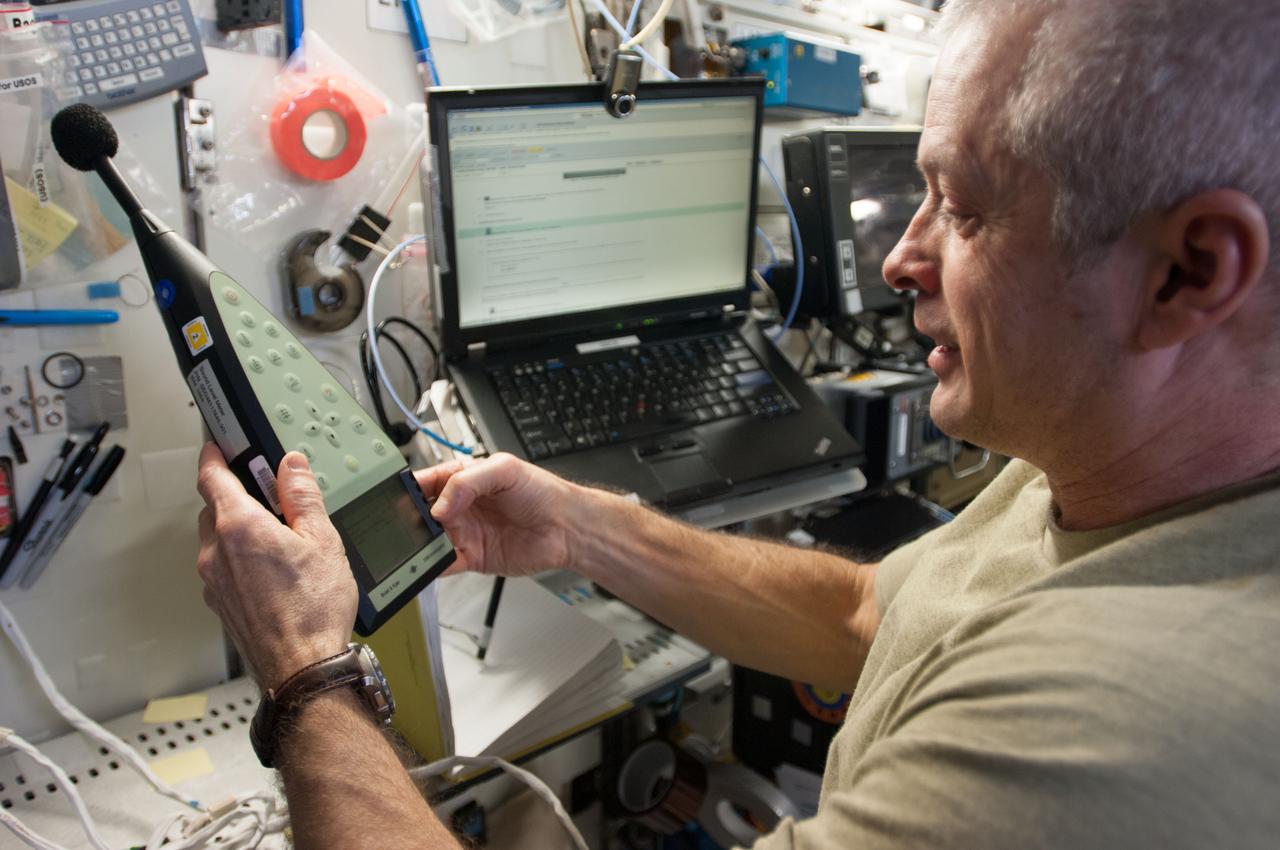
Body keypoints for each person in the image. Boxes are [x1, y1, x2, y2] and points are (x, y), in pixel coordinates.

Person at [194, 0, 1280, 846]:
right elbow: (867, 612)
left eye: (960, 204)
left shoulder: (1114, 734)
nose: (902, 258)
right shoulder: (1114, 465)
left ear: (1187, 272)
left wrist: (307, 674)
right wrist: (586, 527)